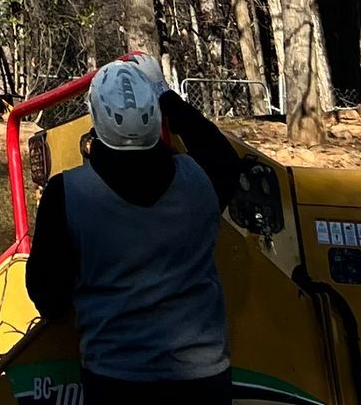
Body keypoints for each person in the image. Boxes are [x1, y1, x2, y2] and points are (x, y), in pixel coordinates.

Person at [23, 54, 245, 405]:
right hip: (204, 380)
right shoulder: (200, 180)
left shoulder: (67, 195)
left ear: (94, 119)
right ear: (156, 116)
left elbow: (47, 295)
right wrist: (164, 93)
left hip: (116, 381)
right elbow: (221, 153)